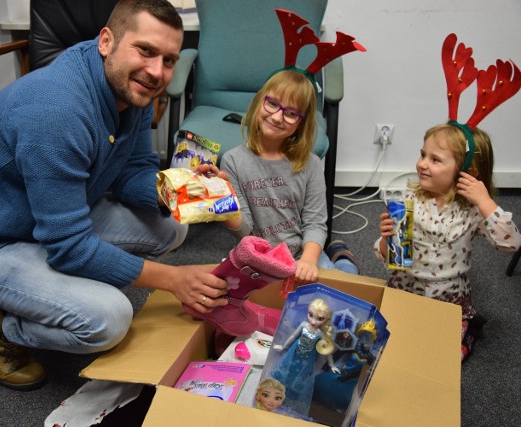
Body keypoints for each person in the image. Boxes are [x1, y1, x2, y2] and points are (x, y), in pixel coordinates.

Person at [0, 0, 228, 391]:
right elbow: (69, 246)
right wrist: (173, 279)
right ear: (107, 41)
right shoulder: (56, 110)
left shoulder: (133, 86)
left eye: (169, 59)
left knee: (172, 225)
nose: (157, 71)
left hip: (51, 218)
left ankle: (46, 287)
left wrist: (182, 188)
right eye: (145, 50)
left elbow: (131, 173)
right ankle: (0, 325)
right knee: (108, 320)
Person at [374, 124, 521, 360]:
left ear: (467, 172)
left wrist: (485, 202)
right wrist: (386, 241)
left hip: (448, 298)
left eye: (435, 159)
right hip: (406, 288)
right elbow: (392, 258)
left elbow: (512, 243)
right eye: (423, 154)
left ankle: (468, 328)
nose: (422, 164)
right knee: (384, 346)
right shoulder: (410, 198)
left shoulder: (473, 210)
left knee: (442, 358)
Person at [221, 70, 360, 285]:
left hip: (300, 254)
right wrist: (220, 204)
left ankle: (342, 259)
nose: (277, 117)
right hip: (258, 257)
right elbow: (244, 229)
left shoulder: (311, 163)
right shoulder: (232, 160)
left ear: (301, 124)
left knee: (341, 292)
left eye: (291, 113)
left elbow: (315, 223)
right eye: (272, 104)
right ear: (259, 101)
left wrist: (308, 260)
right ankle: (340, 259)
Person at [268, 298, 339, 416]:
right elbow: (292, 337)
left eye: (320, 319)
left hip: (307, 360)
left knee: (299, 379)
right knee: (285, 372)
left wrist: (332, 365)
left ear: (326, 320)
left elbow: (327, 351)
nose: (314, 321)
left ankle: (287, 400)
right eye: (311, 315)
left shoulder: (321, 334)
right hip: (293, 354)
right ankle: (276, 395)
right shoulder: (303, 325)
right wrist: (283, 347)